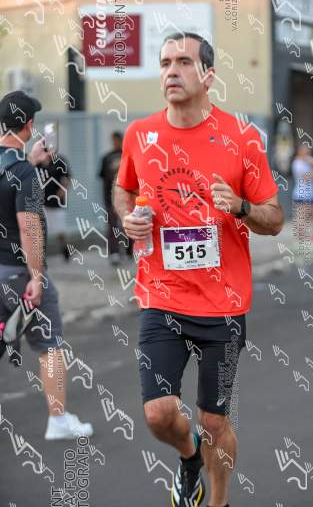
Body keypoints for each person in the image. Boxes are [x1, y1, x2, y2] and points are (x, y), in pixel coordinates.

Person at [113, 33, 284, 507]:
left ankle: (219, 500)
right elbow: (124, 188)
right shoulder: (140, 134)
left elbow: (274, 219)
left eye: (184, 62)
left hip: (223, 303)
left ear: (208, 76)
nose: (171, 70)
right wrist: (127, 218)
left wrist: (242, 206)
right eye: (165, 62)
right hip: (161, 295)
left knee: (213, 420)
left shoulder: (241, 138)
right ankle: (190, 460)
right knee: (158, 413)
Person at [0, 90, 93, 440]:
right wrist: (37, 278)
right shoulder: (23, 172)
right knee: (49, 346)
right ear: (28, 125)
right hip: (18, 274)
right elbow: (29, 227)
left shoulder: (17, 166)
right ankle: (58, 420)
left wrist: (31, 160)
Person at [37, 151, 71, 261]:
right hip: (42, 202)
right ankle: (40, 255)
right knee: (41, 229)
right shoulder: (38, 162)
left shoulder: (59, 161)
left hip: (57, 202)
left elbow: (66, 179)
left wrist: (62, 191)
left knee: (60, 230)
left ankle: (65, 249)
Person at [99, 131, 125, 265]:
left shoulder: (127, 155)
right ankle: (114, 253)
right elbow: (103, 180)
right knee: (112, 227)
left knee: (128, 225)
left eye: (117, 140)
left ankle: (129, 250)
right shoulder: (107, 158)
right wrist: (106, 199)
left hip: (126, 199)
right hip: (111, 199)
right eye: (113, 140)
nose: (115, 143)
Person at [291, 144, 313, 241]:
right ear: (300, 151)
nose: (307, 153)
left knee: (308, 215)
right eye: (305, 151)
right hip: (301, 193)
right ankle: (301, 236)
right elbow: (306, 177)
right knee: (301, 216)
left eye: (308, 151)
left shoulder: (307, 161)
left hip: (310, 193)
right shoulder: (297, 163)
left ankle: (303, 234)